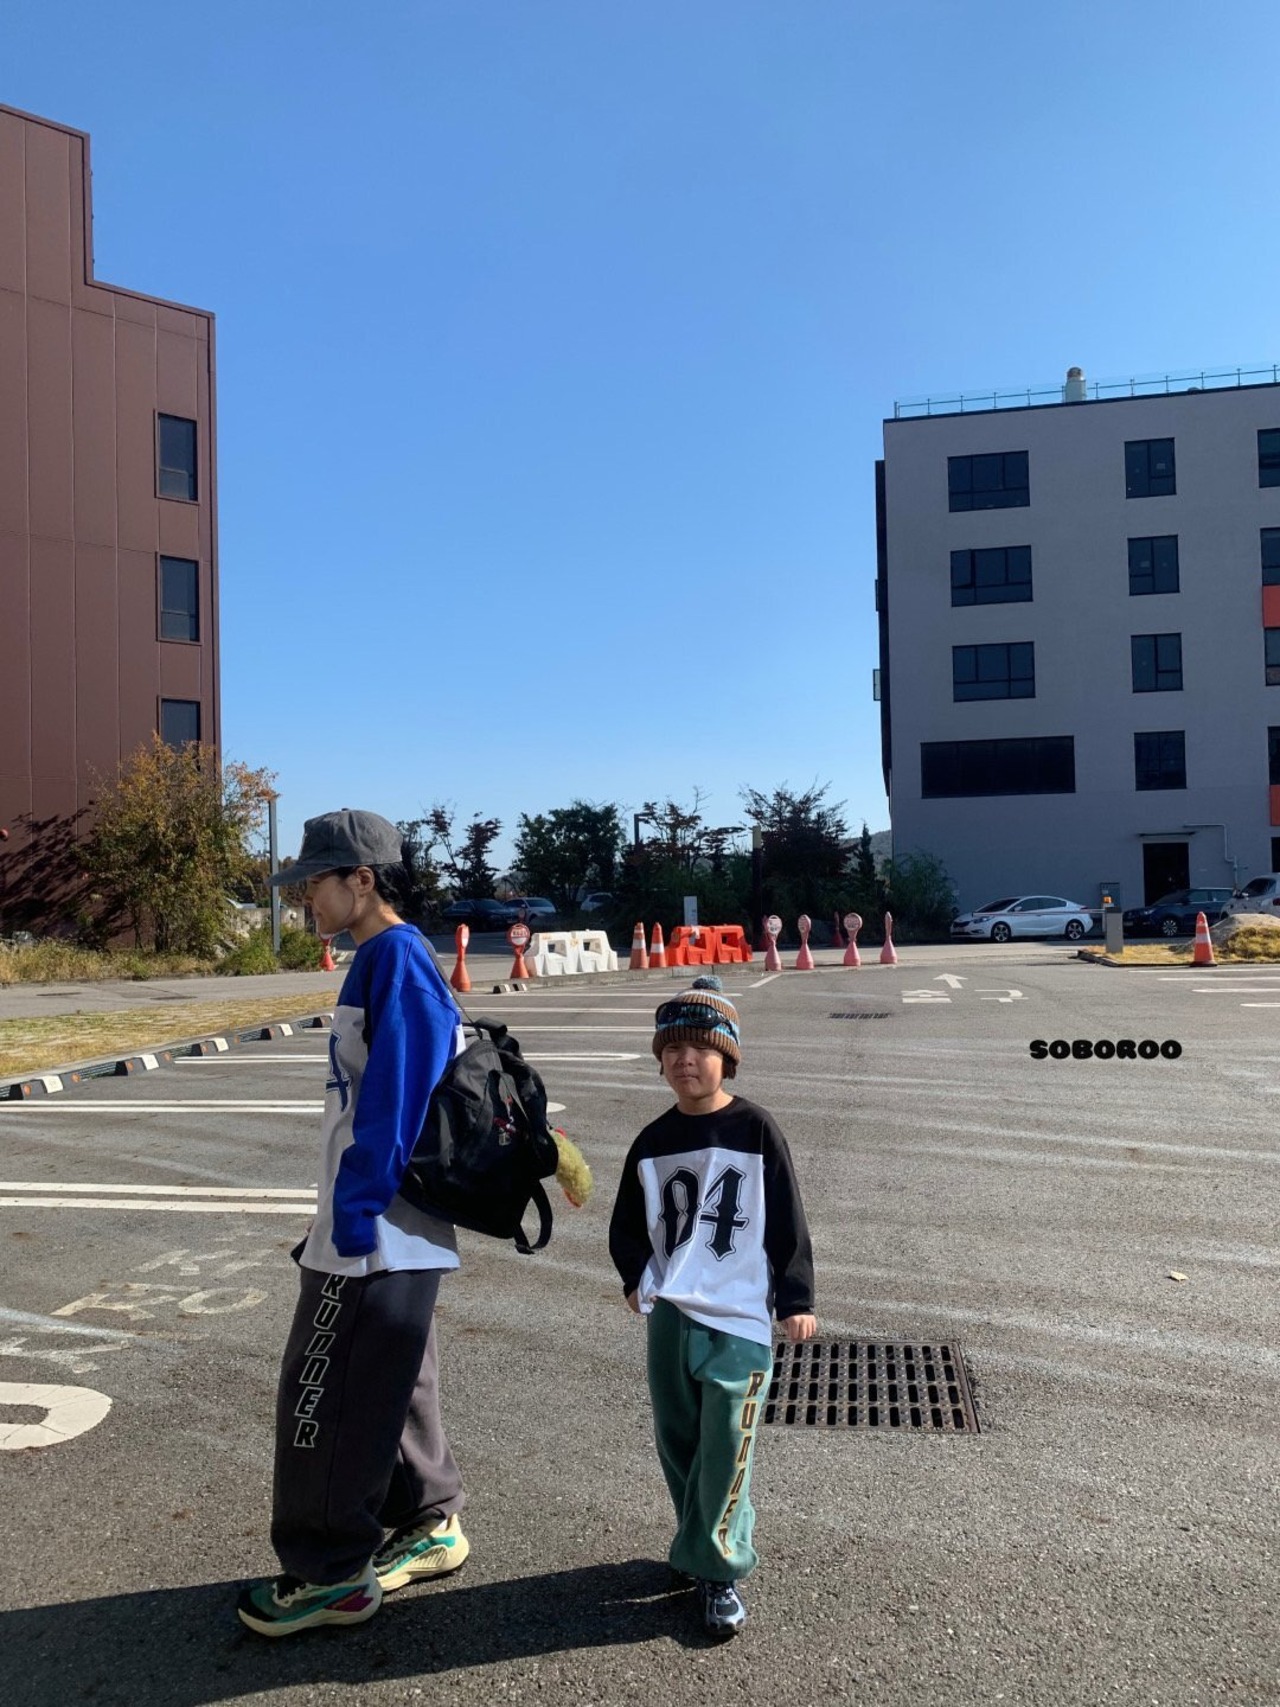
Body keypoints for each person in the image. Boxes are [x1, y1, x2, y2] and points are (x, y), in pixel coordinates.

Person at [238, 809, 471, 1637]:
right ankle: (430, 1519)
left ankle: (331, 1572)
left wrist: (353, 1215)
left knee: (322, 1395)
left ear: (361, 880)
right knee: (392, 1381)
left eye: (315, 882)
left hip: (374, 1233)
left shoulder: (396, 959)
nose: (305, 898)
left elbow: (397, 1099)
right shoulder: (380, 958)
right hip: (387, 1230)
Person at [607, 975, 816, 1639]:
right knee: (680, 1440)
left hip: (739, 1315)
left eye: (700, 1048)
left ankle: (718, 1566)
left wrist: (796, 1296)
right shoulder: (652, 1140)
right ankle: (696, 1540)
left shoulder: (755, 1129)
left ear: (727, 1057)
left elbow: (787, 1217)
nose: (685, 1061)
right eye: (671, 1050)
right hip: (672, 1312)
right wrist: (635, 1278)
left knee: (727, 1441)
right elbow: (627, 1224)